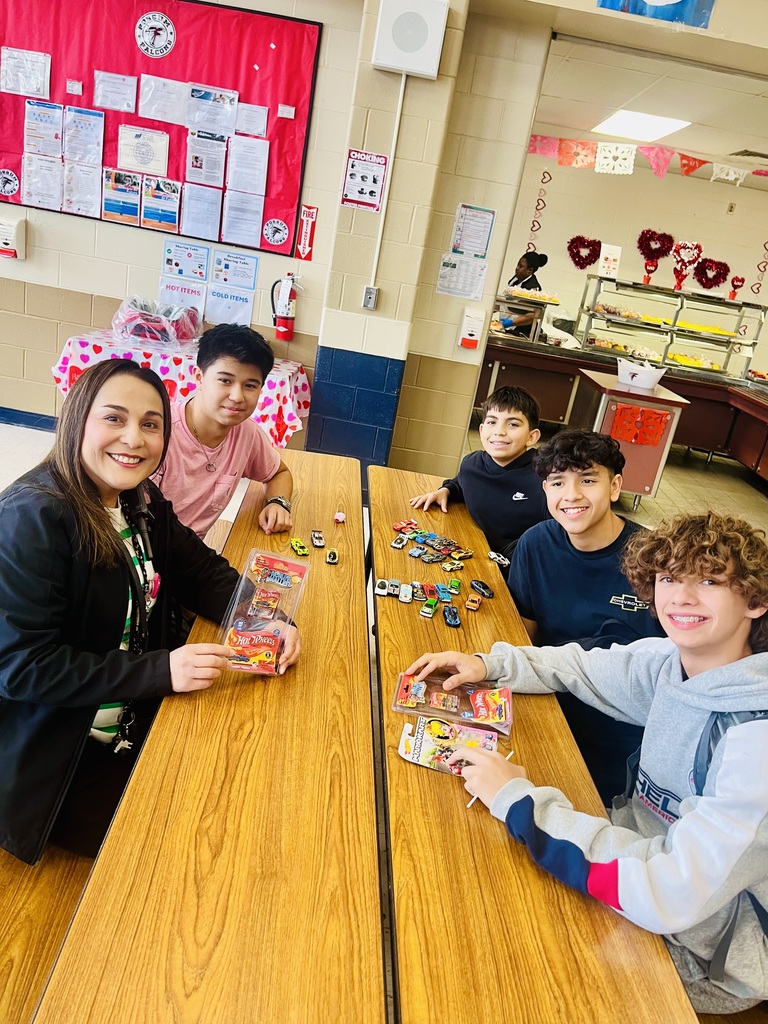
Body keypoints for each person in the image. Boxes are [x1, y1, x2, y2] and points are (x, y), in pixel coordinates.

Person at [407, 512, 768, 1014]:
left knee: (491, 970)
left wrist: (520, 799)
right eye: (669, 577)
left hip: (706, 952)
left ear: (756, 600)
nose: (682, 597)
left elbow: (672, 892)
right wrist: (491, 664)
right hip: (636, 862)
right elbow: (578, 665)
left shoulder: (756, 740)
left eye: (709, 580)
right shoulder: (670, 661)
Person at [0, 359, 300, 865]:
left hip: (135, 709)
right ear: (77, 420)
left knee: (248, 774)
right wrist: (161, 670)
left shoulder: (137, 496)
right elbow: (21, 666)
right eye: (114, 418)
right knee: (198, 840)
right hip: (56, 756)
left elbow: (198, 568)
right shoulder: (32, 518)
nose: (134, 439)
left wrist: (266, 613)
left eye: (150, 424)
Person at [508, 429, 663, 803]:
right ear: (545, 491)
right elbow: (524, 635)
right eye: (558, 482)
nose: (571, 495)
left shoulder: (655, 561)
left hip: (623, 733)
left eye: (588, 480)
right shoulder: (535, 544)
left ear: (615, 487)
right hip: (547, 705)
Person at [153, 323, 294, 542]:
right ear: (199, 377)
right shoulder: (159, 434)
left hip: (191, 555)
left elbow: (278, 473)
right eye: (225, 380)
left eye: (250, 385)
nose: (237, 396)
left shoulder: (246, 433)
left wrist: (278, 503)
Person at [409, 386, 547, 563]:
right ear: (482, 431)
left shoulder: (544, 479)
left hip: (521, 567)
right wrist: (447, 490)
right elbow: (463, 482)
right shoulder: (471, 464)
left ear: (532, 437)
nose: (499, 431)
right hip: (475, 556)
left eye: (513, 424)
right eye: (492, 422)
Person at [501, 252, 549, 336]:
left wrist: (511, 323)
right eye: (517, 265)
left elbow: (533, 315)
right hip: (508, 327)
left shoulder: (533, 289)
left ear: (529, 271)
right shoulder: (515, 279)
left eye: (521, 266)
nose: (517, 268)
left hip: (522, 331)